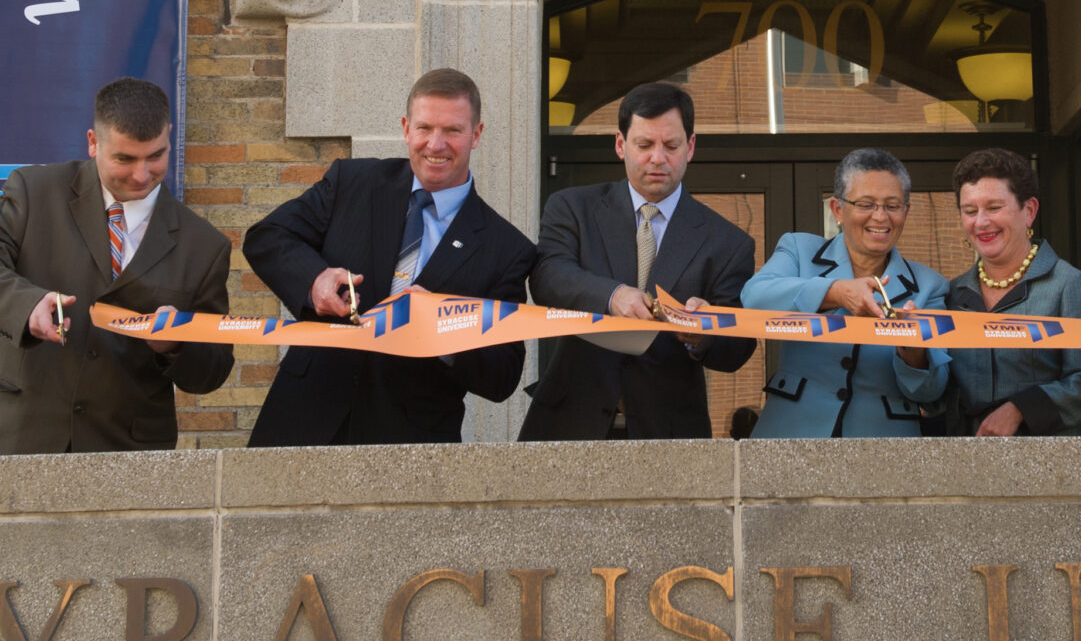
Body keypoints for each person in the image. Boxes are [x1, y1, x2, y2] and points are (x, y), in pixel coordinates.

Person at [244, 68, 535, 446]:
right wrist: (314, 280)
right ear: (405, 128)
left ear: (476, 135)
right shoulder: (352, 182)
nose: (436, 144)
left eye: (453, 131)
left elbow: (503, 376)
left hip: (410, 444)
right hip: (303, 420)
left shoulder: (507, 248)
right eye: (425, 128)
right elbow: (267, 237)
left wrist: (443, 330)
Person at [0, 77, 232, 453]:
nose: (142, 175)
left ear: (169, 135)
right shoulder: (33, 191)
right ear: (93, 142)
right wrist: (26, 305)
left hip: (130, 456)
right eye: (124, 158)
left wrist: (176, 344)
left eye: (155, 156)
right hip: (21, 435)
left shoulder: (205, 245)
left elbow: (214, 369)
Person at [519, 82, 756, 440]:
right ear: (620, 144)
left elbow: (739, 347)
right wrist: (613, 296)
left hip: (670, 433)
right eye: (644, 145)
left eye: (671, 145)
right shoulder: (572, 207)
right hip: (569, 423)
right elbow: (549, 276)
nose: (658, 158)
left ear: (690, 147)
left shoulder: (728, 242)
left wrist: (704, 334)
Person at [742, 147, 950, 437]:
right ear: (837, 210)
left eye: (892, 205)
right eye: (866, 204)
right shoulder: (799, 250)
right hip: (790, 434)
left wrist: (913, 352)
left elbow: (931, 392)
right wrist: (836, 292)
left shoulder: (931, 285)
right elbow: (754, 299)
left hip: (884, 447)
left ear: (906, 211)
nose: (880, 217)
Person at [945, 148, 1081, 436]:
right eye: (970, 211)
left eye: (994, 207)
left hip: (1050, 464)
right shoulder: (952, 293)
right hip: (968, 462)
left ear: (1030, 211)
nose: (981, 222)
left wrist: (1020, 409)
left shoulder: (1069, 285)